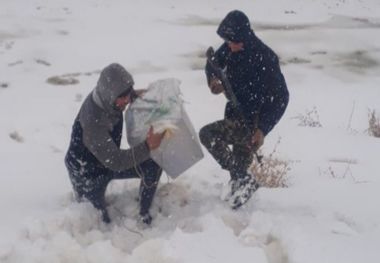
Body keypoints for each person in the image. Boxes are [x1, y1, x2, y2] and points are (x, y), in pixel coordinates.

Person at [199, 10, 289, 209]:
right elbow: (213, 63)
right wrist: (213, 80)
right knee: (238, 168)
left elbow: (282, 98)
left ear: (244, 37)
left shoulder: (266, 58)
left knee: (208, 135)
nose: (229, 46)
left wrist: (263, 129)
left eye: (233, 42)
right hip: (233, 112)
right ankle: (240, 191)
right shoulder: (232, 46)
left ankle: (243, 185)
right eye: (228, 41)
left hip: (251, 122)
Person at [65, 63, 165, 224]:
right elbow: (116, 161)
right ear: (110, 95)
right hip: (85, 172)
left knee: (154, 164)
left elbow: (121, 93)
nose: (126, 101)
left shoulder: (108, 99)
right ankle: (90, 203)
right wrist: (148, 145)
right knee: (97, 222)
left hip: (106, 161)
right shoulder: (93, 122)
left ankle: (144, 213)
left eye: (128, 95)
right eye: (123, 97)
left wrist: (134, 96)